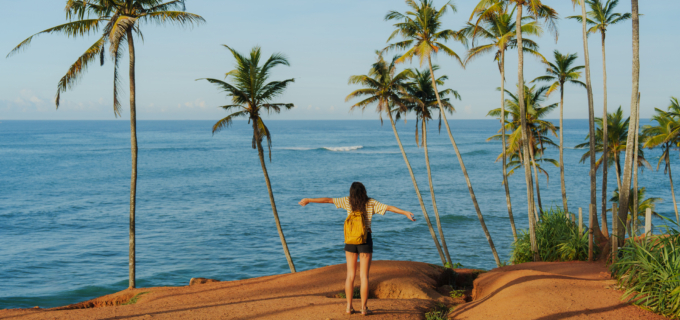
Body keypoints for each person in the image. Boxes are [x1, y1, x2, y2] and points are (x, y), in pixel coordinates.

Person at [298, 182, 416, 316]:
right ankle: (364, 308)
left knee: (350, 276)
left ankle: (349, 307)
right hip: (365, 240)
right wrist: (405, 212)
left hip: (350, 240)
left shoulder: (347, 202)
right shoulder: (370, 203)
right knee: (364, 276)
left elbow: (328, 200)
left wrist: (309, 200)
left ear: (351, 192)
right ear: (364, 191)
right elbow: (388, 208)